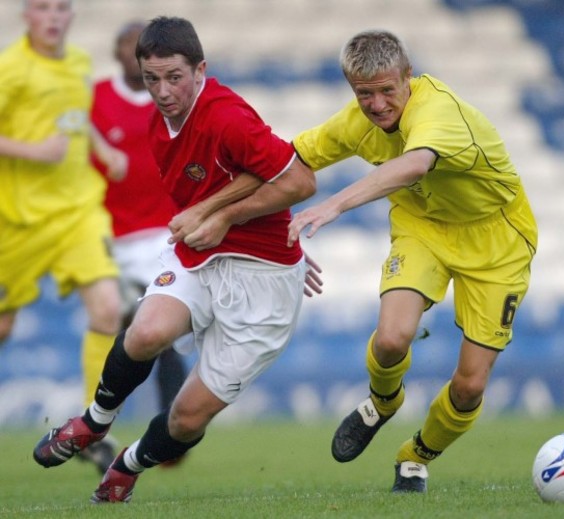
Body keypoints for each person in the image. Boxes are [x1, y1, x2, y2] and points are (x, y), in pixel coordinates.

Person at [33, 16, 318, 504]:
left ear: (200, 69)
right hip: (202, 255)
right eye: (151, 79)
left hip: (264, 279)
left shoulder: (227, 116)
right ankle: (93, 423)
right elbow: (240, 180)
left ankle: (130, 464)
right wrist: (216, 217)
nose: (163, 91)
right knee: (145, 333)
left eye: (174, 77)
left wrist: (231, 219)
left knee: (186, 417)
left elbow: (300, 181)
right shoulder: (158, 123)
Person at [287, 30, 538, 493]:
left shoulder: (438, 111)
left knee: (469, 387)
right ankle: (381, 404)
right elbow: (292, 157)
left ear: (409, 77)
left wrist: (332, 206)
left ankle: (414, 456)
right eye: (365, 94)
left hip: (496, 239)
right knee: (390, 339)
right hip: (422, 226)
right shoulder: (353, 122)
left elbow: (414, 164)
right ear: (352, 89)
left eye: (388, 90)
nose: (378, 104)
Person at [0, 0, 126, 473]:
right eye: (43, 8)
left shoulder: (76, 62)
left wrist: (102, 146)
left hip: (79, 211)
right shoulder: (10, 69)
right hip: (19, 220)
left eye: (61, 8)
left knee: (108, 309)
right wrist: (34, 152)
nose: (53, 16)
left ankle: (94, 430)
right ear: (26, 16)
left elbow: (76, 116)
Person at [91, 20, 188, 437]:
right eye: (129, 46)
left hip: (162, 235)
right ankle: (102, 420)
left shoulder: (170, 100)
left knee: (154, 334)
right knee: (123, 327)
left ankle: (167, 422)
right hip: (108, 237)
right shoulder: (94, 100)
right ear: (118, 54)